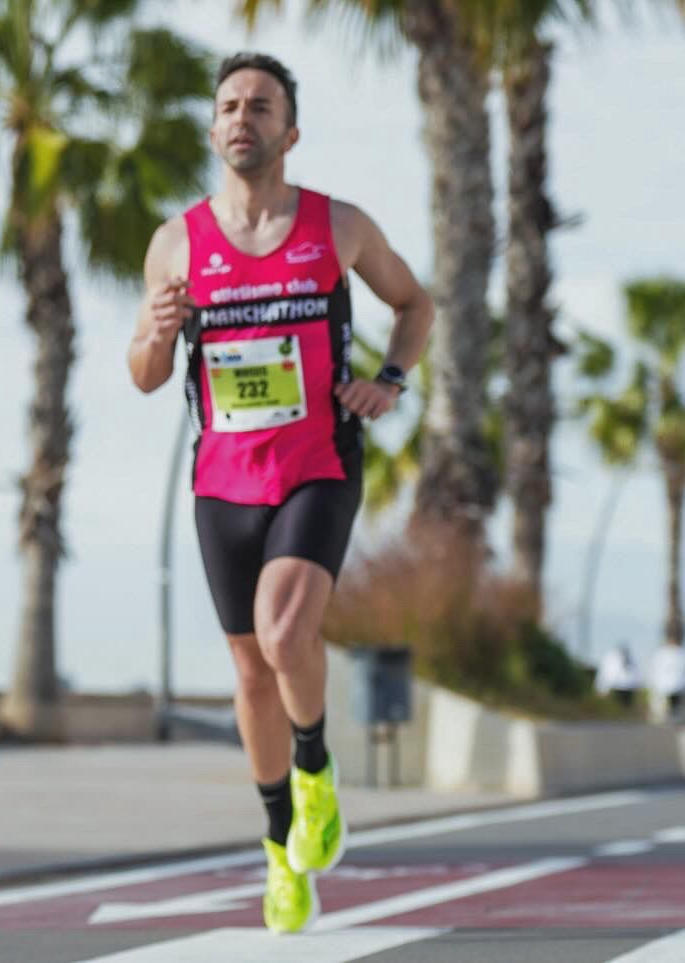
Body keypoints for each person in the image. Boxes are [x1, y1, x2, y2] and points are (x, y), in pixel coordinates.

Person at [128, 52, 433, 934]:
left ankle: (314, 767)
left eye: (261, 106)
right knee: (251, 677)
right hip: (223, 479)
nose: (242, 118)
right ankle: (278, 845)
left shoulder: (336, 227)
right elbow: (147, 374)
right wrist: (154, 333)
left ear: (289, 133)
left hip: (318, 462)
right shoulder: (177, 243)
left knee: (285, 628)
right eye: (228, 105)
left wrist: (389, 381)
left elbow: (415, 304)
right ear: (213, 128)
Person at [650, 638, 685, 721]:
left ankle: (671, 717)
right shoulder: (680, 653)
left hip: (675, 687)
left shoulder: (679, 653)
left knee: (674, 709)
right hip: (667, 686)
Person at [594, 643, 640, 709]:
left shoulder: (632, 660)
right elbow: (605, 676)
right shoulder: (610, 659)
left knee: (626, 711)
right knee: (614, 709)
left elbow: (637, 676)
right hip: (615, 689)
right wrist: (602, 690)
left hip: (628, 690)